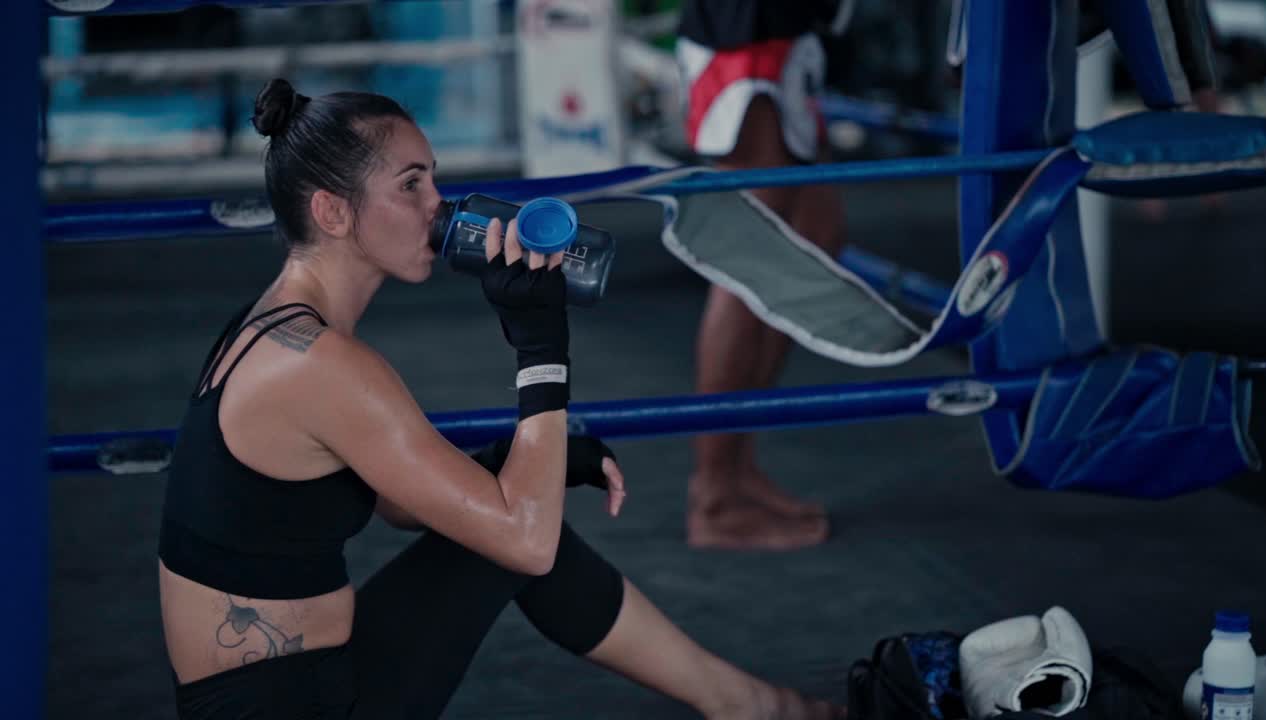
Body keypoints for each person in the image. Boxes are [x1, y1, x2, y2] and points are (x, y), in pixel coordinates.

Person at [156, 78, 843, 719]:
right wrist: (541, 347)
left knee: (508, 524)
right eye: (411, 185)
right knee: (522, 537)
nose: (438, 206)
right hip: (293, 705)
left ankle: (748, 705)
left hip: (296, 682)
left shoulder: (274, 326)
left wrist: (512, 458)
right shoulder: (322, 365)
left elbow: (403, 503)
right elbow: (527, 543)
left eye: (434, 180)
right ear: (332, 211)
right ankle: (753, 707)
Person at [675, 0, 854, 550]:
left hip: (786, 30)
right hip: (744, 34)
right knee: (748, 259)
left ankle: (736, 461)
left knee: (816, 233)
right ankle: (716, 498)